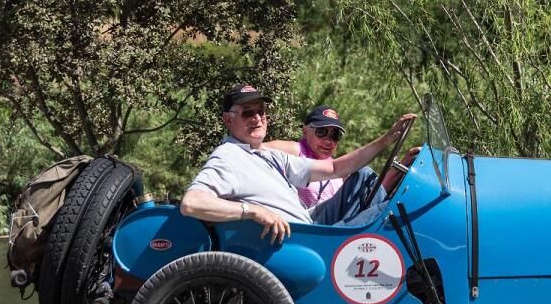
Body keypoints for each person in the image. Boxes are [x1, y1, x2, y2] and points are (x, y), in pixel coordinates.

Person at [180, 84, 416, 244]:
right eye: (247, 113)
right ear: (228, 120)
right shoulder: (228, 157)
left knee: (362, 176)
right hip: (300, 240)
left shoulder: (265, 154)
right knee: (396, 214)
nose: (257, 119)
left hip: (311, 223)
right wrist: (252, 211)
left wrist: (387, 139)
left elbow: (335, 169)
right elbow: (191, 203)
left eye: (261, 112)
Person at [264, 104, 419, 209]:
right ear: (305, 132)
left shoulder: (337, 167)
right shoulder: (295, 150)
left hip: (336, 226)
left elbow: (371, 198)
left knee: (391, 204)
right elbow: (256, 149)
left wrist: (403, 165)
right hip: (310, 226)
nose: (328, 140)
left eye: (335, 135)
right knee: (363, 173)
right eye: (321, 132)